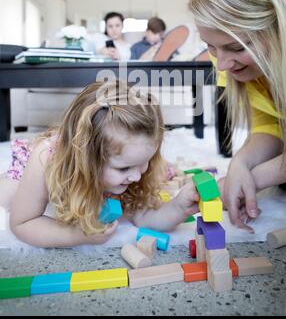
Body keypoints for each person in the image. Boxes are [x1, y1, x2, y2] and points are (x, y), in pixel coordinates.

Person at [189, 0, 286, 232]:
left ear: (279, 26)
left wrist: (257, 176)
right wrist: (240, 163)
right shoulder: (236, 63)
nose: (221, 64)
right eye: (211, 46)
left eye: (237, 48)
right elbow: (270, 125)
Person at [0, 80, 199, 248]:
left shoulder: (131, 171)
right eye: (124, 168)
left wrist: (178, 207)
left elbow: (144, 216)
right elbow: (22, 223)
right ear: (87, 160)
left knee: (162, 173)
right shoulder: (45, 159)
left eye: (144, 162)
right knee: (7, 196)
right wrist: (77, 235)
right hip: (51, 164)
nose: (137, 176)